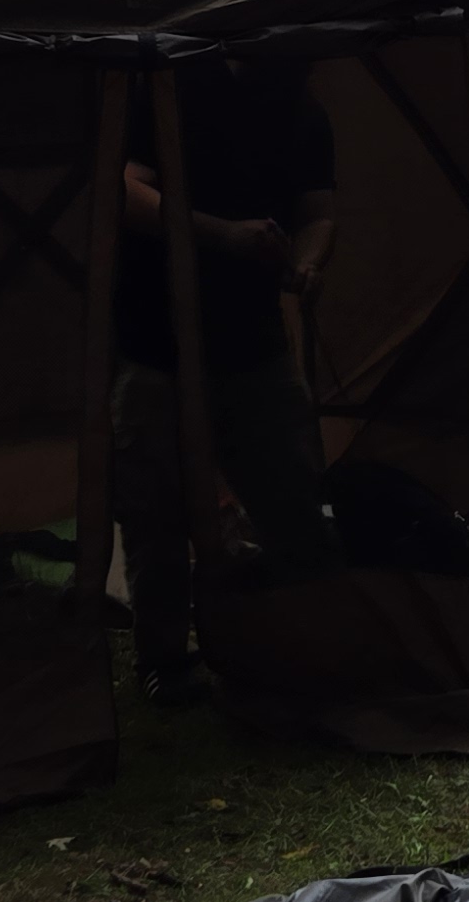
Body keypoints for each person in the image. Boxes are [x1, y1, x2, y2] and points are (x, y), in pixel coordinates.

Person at [112, 55, 338, 684]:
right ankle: (163, 659)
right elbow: (127, 192)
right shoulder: (171, 88)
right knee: (153, 510)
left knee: (292, 496)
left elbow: (317, 210)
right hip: (153, 339)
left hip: (253, 341)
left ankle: (301, 635)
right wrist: (221, 236)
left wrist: (309, 262)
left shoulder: (302, 114)